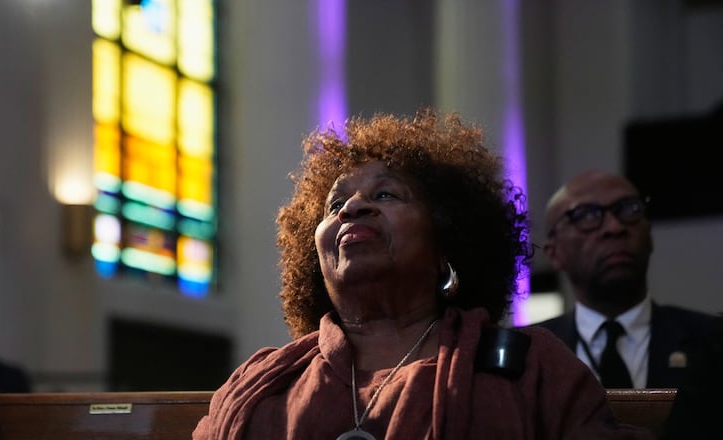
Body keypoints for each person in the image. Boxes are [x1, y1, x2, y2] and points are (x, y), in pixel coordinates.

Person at [192, 110, 651, 439]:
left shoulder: (531, 366)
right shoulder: (263, 384)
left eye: (387, 195)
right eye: (335, 205)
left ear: (446, 245)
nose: (353, 207)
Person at [531, 170, 723, 389]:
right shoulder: (527, 352)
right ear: (554, 253)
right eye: (586, 215)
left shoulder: (713, 340)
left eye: (629, 209)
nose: (615, 228)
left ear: (649, 236)